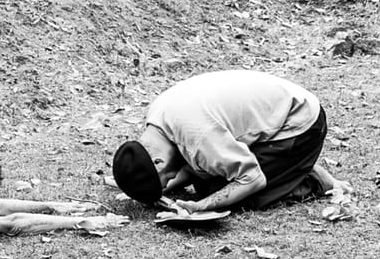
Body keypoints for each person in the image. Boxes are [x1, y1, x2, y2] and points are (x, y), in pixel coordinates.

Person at [110, 70, 344, 214]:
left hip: (301, 124)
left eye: (165, 181)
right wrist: (153, 191)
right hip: (274, 112)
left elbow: (250, 179)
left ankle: (311, 178)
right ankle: (289, 168)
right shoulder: (157, 120)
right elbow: (187, 163)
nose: (170, 182)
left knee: (227, 193)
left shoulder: (198, 135)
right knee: (210, 176)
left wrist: (201, 206)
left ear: (158, 162)